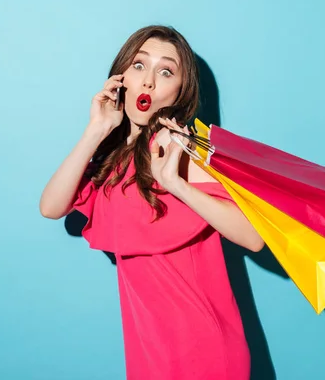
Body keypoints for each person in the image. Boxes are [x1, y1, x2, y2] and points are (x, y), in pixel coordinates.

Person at [39, 25, 264, 379]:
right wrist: (96, 130)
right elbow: (50, 207)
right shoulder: (109, 163)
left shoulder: (178, 152)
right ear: (122, 77)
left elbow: (253, 237)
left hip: (205, 348)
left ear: (179, 92)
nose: (148, 82)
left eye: (165, 71)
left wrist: (174, 182)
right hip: (150, 351)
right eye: (140, 66)